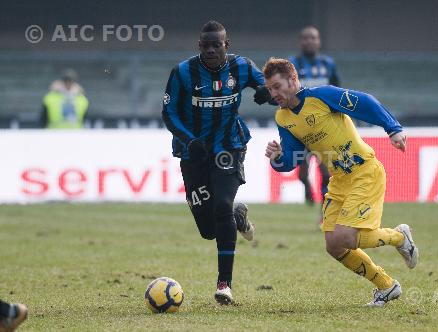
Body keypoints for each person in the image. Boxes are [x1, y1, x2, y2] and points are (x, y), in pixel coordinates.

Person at [263, 58, 419, 307]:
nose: (274, 93)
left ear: (293, 80)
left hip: (364, 171)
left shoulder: (322, 96)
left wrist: (393, 128)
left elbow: (364, 102)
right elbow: (292, 158)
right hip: (339, 181)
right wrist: (276, 159)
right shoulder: (283, 118)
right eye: (270, 89)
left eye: (277, 86)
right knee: (334, 245)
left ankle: (399, 238)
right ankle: (387, 286)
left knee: (346, 237)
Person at [162, 20, 275, 305]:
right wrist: (190, 141)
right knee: (208, 230)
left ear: (227, 45)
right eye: (206, 46)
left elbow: (267, 86)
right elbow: (169, 113)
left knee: (221, 206)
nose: (211, 50)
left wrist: (265, 92)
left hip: (229, 147)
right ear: (199, 46)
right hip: (193, 154)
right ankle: (238, 215)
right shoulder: (183, 72)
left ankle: (224, 284)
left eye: (217, 45)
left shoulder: (242, 67)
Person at [289, 26, 340, 208]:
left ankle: (325, 211)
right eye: (305, 38)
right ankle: (307, 186)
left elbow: (336, 91)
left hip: (323, 127)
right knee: (302, 173)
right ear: (300, 42)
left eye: (313, 38)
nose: (309, 41)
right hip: (300, 128)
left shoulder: (328, 64)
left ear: (319, 41)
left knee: (326, 173)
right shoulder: (292, 64)